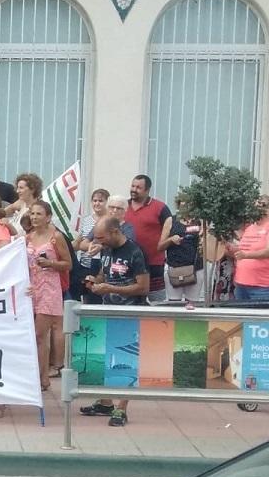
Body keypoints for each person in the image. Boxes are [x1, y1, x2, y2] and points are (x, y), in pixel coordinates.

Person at [80, 217, 149, 428]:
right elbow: (105, 274)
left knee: (126, 360)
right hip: (108, 309)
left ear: (115, 232)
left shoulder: (134, 252)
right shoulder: (107, 250)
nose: (98, 241)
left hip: (129, 312)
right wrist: (95, 281)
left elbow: (143, 287)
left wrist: (111, 289)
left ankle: (122, 408)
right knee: (106, 357)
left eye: (101, 237)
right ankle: (106, 401)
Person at [26, 201, 72, 392]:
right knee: (40, 337)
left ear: (48, 217)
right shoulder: (28, 237)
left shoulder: (56, 237)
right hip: (32, 288)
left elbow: (68, 264)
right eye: (32, 213)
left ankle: (41, 375)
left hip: (50, 289)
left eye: (38, 214)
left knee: (38, 334)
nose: (34, 217)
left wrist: (50, 263)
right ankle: (42, 378)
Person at [125, 174, 172, 302]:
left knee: (156, 302)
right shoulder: (123, 206)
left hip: (153, 263)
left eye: (138, 187)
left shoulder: (160, 208)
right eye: (133, 186)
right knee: (130, 300)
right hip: (128, 264)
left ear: (147, 190)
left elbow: (169, 229)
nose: (134, 189)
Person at [230, 196, 269, 307]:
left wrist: (246, 255)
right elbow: (243, 250)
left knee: (261, 322)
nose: (254, 210)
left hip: (264, 286)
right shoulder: (250, 228)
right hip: (242, 284)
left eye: (259, 206)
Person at [158, 195, 204, 303]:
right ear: (179, 204)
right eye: (184, 202)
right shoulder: (171, 220)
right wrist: (170, 240)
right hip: (174, 267)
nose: (187, 205)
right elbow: (160, 247)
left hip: (195, 268)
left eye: (190, 202)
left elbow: (206, 243)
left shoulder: (200, 221)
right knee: (174, 303)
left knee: (192, 303)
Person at [73, 189, 110, 303]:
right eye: (94, 201)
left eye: (100, 201)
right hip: (84, 265)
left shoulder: (109, 220)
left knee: (97, 298)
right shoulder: (87, 220)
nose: (97, 203)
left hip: (101, 266)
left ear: (107, 202)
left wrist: (92, 245)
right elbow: (79, 242)